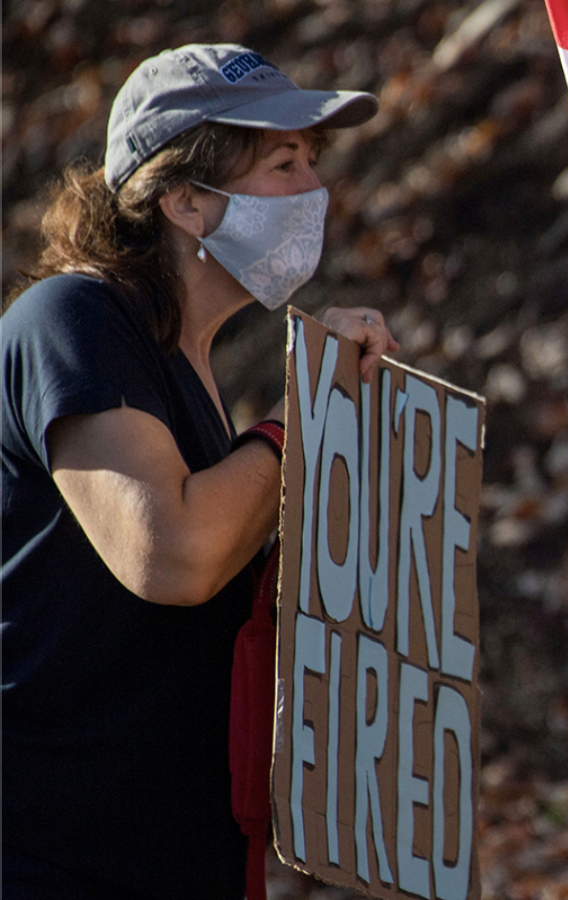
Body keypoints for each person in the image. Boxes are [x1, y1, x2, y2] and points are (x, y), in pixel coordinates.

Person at [1, 44, 398, 899]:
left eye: (313, 163)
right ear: (184, 198)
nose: (315, 191)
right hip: (50, 861)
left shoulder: (188, 368)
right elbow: (172, 557)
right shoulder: (71, 319)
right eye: (285, 161)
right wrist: (301, 418)